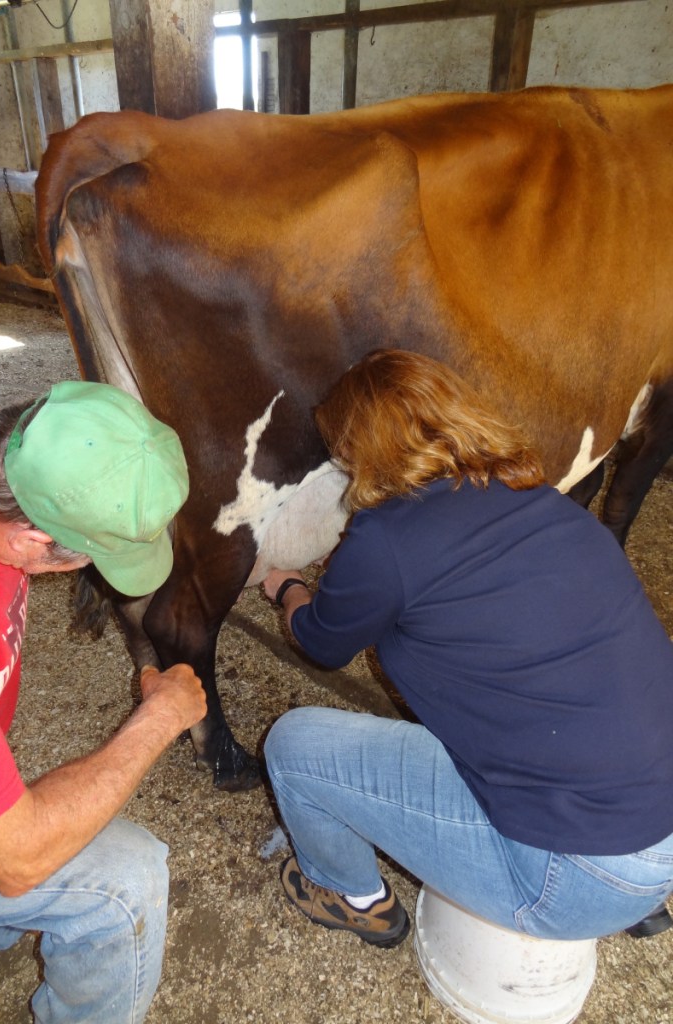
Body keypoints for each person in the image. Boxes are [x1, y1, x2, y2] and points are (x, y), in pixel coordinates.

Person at [262, 348, 673, 949]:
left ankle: (352, 896)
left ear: (358, 449)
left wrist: (287, 586)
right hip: (655, 817)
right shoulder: (541, 500)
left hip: (579, 875)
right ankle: (634, 895)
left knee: (294, 748)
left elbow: (322, 641)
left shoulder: (387, 538)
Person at [0, 380, 207, 1022]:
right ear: (30, 541)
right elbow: (17, 859)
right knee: (121, 883)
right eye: (93, 557)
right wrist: (160, 717)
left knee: (15, 904)